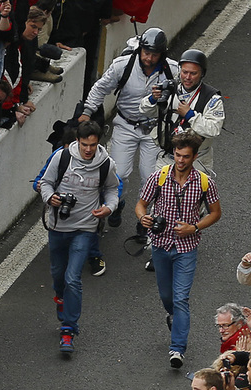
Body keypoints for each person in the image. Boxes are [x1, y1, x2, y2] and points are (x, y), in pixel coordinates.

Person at [79, 28, 176, 236]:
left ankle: (145, 219)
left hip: (154, 130)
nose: (149, 58)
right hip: (125, 125)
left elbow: (184, 92)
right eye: (146, 52)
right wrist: (86, 112)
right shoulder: (122, 66)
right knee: (118, 173)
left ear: (162, 54)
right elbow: (100, 88)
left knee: (151, 177)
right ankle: (117, 203)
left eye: (154, 54)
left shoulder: (172, 70)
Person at [135, 134, 221, 368]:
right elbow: (141, 204)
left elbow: (215, 213)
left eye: (185, 156)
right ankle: (174, 316)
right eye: (177, 155)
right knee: (167, 296)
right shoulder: (159, 177)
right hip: (160, 245)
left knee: (181, 298)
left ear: (194, 157)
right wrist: (144, 218)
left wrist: (194, 227)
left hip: (187, 248)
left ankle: (177, 349)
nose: (180, 160)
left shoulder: (204, 182)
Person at [36, 120, 120, 356]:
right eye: (84, 144)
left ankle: (69, 329)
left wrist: (109, 208)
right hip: (58, 226)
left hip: (85, 227)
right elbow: (45, 183)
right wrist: (50, 197)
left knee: (73, 277)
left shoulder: (106, 164)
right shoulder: (61, 158)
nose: (88, 150)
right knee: (58, 274)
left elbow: (113, 189)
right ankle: (61, 299)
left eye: (93, 145)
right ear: (77, 142)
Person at [144, 48, 224, 174]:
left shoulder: (212, 98)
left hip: (198, 160)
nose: (187, 77)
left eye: (193, 73)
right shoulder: (169, 89)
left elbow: (214, 129)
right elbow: (144, 111)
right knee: (161, 192)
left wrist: (190, 115)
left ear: (202, 74)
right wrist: (153, 99)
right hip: (168, 157)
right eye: (184, 72)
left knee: (195, 194)